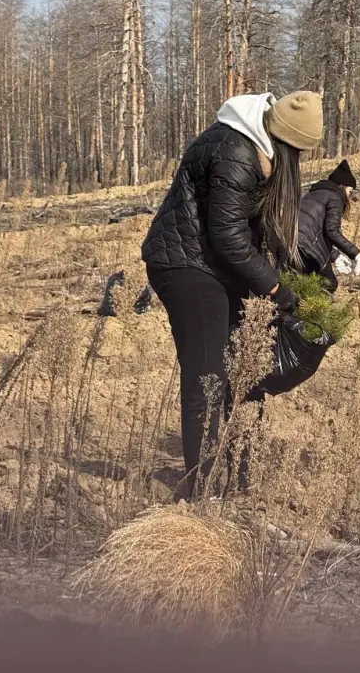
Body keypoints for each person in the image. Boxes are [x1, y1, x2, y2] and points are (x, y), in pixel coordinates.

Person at [141, 90, 323, 497]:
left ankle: (242, 482)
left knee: (244, 369)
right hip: (186, 264)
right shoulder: (235, 151)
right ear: (286, 141)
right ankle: (199, 492)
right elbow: (227, 236)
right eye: (299, 153)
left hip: (216, 264)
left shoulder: (255, 147)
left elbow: (245, 232)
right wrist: (275, 287)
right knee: (207, 376)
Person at [291, 159, 360, 293]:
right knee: (329, 283)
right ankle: (309, 312)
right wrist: (356, 254)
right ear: (343, 186)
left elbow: (319, 232)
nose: (350, 195)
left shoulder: (313, 194)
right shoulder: (335, 197)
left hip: (289, 240)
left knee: (301, 283)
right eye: (350, 191)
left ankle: (298, 308)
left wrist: (335, 255)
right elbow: (331, 231)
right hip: (304, 245)